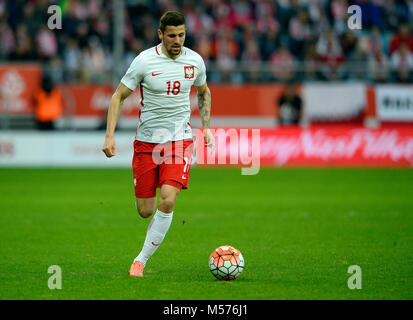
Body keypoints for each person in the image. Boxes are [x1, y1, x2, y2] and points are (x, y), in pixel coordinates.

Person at [102, 11, 214, 277]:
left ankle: (140, 261)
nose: (177, 40)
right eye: (172, 35)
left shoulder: (195, 62)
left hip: (179, 140)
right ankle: (147, 238)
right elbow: (118, 96)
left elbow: (204, 91)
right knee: (145, 210)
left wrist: (206, 128)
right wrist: (109, 135)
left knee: (167, 200)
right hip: (146, 144)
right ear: (160, 34)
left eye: (182, 35)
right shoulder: (144, 61)